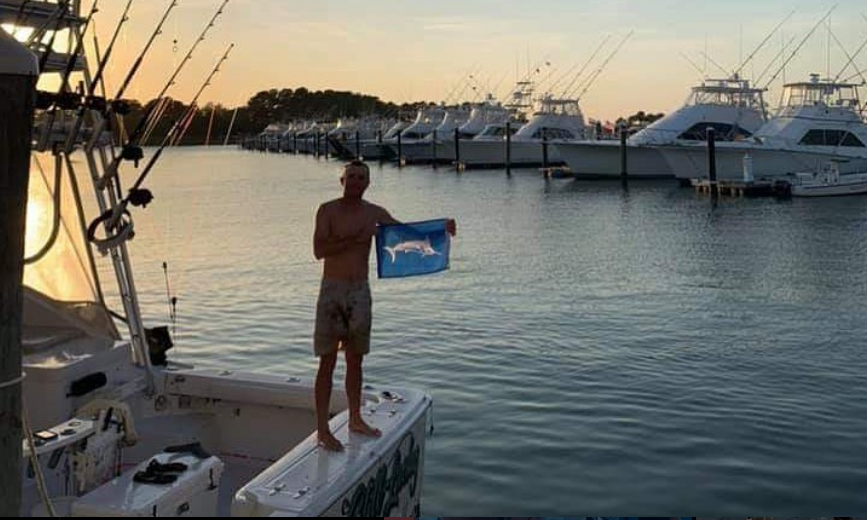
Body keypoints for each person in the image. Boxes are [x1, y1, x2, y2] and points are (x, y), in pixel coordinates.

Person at [313, 160, 456, 452]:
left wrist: (442, 228)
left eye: (360, 178)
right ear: (342, 180)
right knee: (326, 361)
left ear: (367, 183)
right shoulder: (327, 210)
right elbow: (319, 250)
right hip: (332, 291)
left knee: (356, 359)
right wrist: (355, 240)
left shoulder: (374, 213)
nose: (354, 182)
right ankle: (323, 430)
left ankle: (355, 418)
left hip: (359, 291)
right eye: (350, 176)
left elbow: (408, 234)